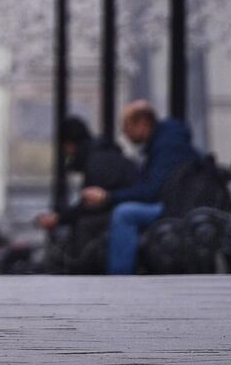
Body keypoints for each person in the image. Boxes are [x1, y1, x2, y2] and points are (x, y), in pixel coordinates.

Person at [80, 100, 200, 275]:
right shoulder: (164, 142)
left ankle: (121, 276)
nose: (125, 134)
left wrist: (108, 197)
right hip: (176, 202)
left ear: (143, 124)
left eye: (126, 127)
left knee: (124, 214)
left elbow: (152, 191)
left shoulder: (167, 146)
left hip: (176, 206)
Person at [34, 117, 139, 273]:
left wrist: (60, 218)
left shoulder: (96, 161)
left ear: (69, 144)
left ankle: (79, 270)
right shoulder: (104, 154)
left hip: (119, 214)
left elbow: (91, 205)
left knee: (85, 225)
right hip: (123, 210)